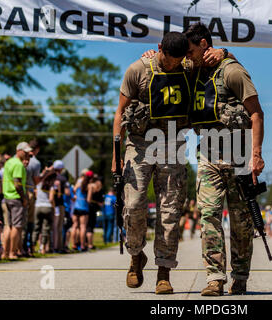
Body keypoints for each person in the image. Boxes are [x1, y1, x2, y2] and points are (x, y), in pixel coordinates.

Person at [184, 22, 265, 296]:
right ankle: (215, 278)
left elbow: (256, 114)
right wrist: (150, 55)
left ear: (204, 45)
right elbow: (166, 64)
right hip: (208, 153)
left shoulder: (233, 71)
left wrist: (256, 155)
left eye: (191, 50)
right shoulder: (193, 70)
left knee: (242, 222)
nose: (187, 55)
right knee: (208, 216)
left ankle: (240, 276)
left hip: (239, 156)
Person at [112, 31, 193, 295]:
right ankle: (136, 256)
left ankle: (164, 272)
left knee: (169, 211)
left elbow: (218, 60)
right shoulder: (138, 70)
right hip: (139, 144)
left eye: (178, 61)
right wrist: (115, 155)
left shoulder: (188, 66)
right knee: (133, 205)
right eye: (169, 60)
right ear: (160, 49)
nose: (173, 65)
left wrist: (224, 53)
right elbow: (120, 112)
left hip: (173, 144)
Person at [2, 142, 31, 259]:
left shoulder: (8, 162)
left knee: (7, 226)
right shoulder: (18, 164)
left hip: (7, 197)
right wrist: (24, 199)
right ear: (18, 151)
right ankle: (12, 253)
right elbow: (17, 184)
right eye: (25, 152)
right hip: (16, 198)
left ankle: (5, 253)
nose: (27, 154)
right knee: (17, 226)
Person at [22, 139, 42, 257]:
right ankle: (28, 247)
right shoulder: (35, 162)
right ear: (37, 149)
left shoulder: (16, 158)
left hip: (17, 192)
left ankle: (20, 248)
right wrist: (45, 174)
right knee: (29, 222)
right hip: (29, 192)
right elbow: (36, 181)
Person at [32, 170, 56, 254]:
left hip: (38, 206)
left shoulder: (38, 184)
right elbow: (51, 199)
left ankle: (32, 247)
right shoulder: (51, 186)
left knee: (36, 228)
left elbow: (35, 195)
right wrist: (54, 208)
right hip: (47, 207)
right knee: (45, 229)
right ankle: (43, 248)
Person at [72, 170, 92, 251]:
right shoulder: (89, 185)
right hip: (84, 208)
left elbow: (73, 189)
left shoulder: (79, 182)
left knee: (74, 226)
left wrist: (76, 196)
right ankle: (82, 245)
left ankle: (74, 245)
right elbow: (89, 199)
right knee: (83, 227)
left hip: (76, 207)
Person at [52, 160, 70, 253]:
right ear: (61, 168)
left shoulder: (49, 177)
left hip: (50, 203)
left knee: (52, 227)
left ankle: (50, 246)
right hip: (59, 204)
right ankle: (58, 246)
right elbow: (67, 192)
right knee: (59, 227)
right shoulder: (63, 179)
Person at [86, 174, 103, 250]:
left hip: (88, 207)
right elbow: (101, 202)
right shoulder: (98, 188)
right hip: (92, 208)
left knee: (87, 226)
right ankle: (90, 244)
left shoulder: (89, 186)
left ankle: (87, 243)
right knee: (90, 226)